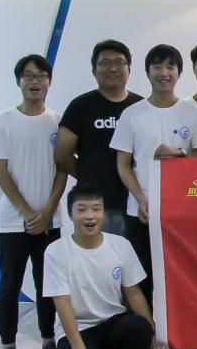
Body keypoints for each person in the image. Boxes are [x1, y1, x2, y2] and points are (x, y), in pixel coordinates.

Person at [43, 185, 168, 349]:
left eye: (96, 209)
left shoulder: (120, 245)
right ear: (71, 214)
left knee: (140, 328)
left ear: (103, 212)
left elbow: (134, 294)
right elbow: (62, 305)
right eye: (82, 209)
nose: (90, 216)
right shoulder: (56, 251)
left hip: (113, 323)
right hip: (78, 328)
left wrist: (153, 330)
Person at [0, 54, 68, 349]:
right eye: (29, 76)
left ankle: (49, 342)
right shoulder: (2, 122)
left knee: (48, 285)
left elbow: (63, 168)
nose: (35, 81)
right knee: (10, 286)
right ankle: (8, 348)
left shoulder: (57, 122)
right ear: (18, 81)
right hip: (13, 222)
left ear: (49, 81)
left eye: (41, 76)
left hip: (50, 220)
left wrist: (47, 211)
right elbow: (0, 171)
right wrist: (27, 212)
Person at [111, 44, 197, 310]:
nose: (163, 73)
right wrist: (140, 198)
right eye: (157, 67)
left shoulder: (190, 113)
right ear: (147, 72)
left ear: (179, 73)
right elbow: (123, 165)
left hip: (181, 213)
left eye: (170, 66)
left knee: (181, 277)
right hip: (141, 212)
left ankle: (182, 334)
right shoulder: (132, 114)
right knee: (142, 278)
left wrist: (180, 155)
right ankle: (146, 333)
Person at [55, 40, 143, 235]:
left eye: (119, 62)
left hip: (136, 202)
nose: (113, 68)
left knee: (136, 254)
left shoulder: (140, 106)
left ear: (129, 69)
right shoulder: (80, 106)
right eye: (105, 63)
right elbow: (62, 154)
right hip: (96, 205)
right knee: (99, 253)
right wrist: (88, 175)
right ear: (94, 70)